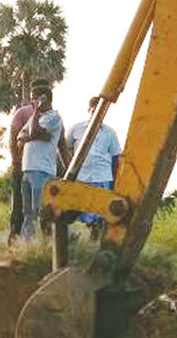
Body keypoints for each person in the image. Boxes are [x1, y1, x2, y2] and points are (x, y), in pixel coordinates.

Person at [66, 97, 122, 240]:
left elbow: (117, 158)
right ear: (89, 110)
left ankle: (94, 241)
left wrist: (116, 181)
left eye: (102, 111)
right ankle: (71, 239)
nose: (98, 113)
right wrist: (68, 170)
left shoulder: (110, 133)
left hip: (102, 178)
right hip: (81, 177)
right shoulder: (76, 129)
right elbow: (64, 148)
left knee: (100, 216)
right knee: (75, 212)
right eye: (95, 110)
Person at [17, 83, 67, 241]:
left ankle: (46, 244)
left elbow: (35, 132)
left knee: (41, 211)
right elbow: (20, 138)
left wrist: (32, 134)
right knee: (27, 212)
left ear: (45, 99)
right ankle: (27, 245)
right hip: (28, 169)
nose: (32, 103)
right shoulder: (34, 118)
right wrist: (31, 135)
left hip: (42, 170)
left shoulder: (54, 117)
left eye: (35, 99)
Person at [8, 78, 52, 244]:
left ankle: (44, 244)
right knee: (20, 208)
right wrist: (16, 163)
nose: (41, 97)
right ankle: (14, 242)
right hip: (23, 166)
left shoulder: (53, 116)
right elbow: (13, 138)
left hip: (44, 167)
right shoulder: (22, 113)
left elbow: (57, 142)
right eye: (38, 93)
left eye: (44, 92)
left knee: (43, 208)